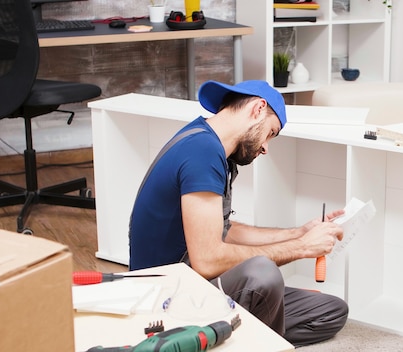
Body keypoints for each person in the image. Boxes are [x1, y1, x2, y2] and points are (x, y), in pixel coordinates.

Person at [128, 80, 348, 346]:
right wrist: (301, 247)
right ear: (258, 109)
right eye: (271, 133)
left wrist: (299, 232)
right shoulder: (203, 152)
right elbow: (207, 260)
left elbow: (224, 230)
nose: (266, 147)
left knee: (330, 310)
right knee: (262, 275)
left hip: (194, 282)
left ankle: (231, 333)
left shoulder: (208, 143)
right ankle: (245, 337)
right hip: (167, 295)